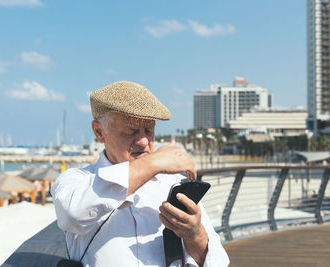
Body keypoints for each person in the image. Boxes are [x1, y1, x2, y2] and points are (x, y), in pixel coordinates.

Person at [52, 81, 229, 267]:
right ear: (99, 132)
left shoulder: (174, 182)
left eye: (149, 130)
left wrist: (195, 235)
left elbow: (217, 262)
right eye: (131, 131)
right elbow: (73, 215)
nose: (144, 141)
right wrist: (154, 162)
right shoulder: (76, 180)